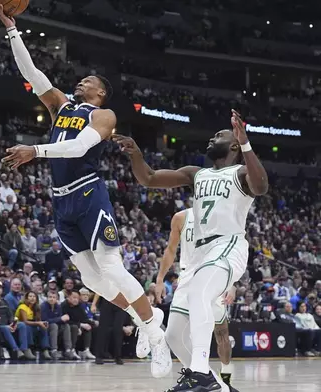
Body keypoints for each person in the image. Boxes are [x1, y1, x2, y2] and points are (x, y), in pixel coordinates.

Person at [0, 1, 170, 377]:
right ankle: (141, 319)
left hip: (89, 192)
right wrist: (11, 29)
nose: (80, 81)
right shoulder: (60, 105)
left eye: (88, 80)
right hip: (61, 199)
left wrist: (34, 150)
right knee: (90, 279)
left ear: (100, 93)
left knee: (111, 266)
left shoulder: (103, 115)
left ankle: (155, 329)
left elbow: (79, 147)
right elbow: (32, 72)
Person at [115, 110, 268, 391]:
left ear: (234, 145)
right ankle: (217, 386)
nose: (212, 138)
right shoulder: (196, 174)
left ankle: (199, 373)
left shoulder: (242, 172)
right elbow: (148, 178)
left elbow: (261, 187)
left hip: (227, 245)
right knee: (173, 335)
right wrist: (136, 154)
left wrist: (247, 144)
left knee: (200, 294)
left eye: (219, 135)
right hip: (197, 257)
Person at [159, 208, 238, 391]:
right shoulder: (181, 217)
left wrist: (231, 283)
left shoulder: (221, 214)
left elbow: (230, 250)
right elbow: (171, 249)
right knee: (173, 335)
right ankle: (209, 380)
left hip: (214, 275)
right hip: (187, 276)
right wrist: (160, 278)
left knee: (222, 336)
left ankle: (225, 376)